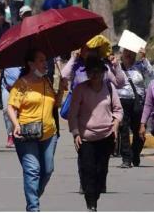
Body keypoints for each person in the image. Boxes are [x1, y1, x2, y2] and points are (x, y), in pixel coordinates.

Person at [61, 35, 126, 194]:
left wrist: (116, 66)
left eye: (93, 50)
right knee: (84, 155)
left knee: (102, 158)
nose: (89, 53)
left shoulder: (104, 69)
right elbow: (63, 76)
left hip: (102, 117)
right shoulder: (77, 67)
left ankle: (100, 180)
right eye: (87, 49)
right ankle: (85, 182)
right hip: (81, 119)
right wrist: (73, 58)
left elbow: (120, 82)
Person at [7, 50, 64, 211]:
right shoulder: (22, 84)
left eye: (45, 60)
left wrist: (61, 89)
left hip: (48, 133)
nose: (45, 63)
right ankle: (33, 208)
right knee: (33, 170)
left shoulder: (46, 81)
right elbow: (11, 107)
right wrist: (16, 124)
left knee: (47, 169)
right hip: (26, 134)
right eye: (41, 60)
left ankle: (33, 196)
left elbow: (56, 104)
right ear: (31, 64)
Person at [68, 57, 123, 211]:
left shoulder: (109, 88)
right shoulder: (80, 89)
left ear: (104, 72)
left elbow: (118, 110)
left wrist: (115, 124)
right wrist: (75, 133)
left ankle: (94, 195)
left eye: (98, 71)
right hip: (86, 137)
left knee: (101, 171)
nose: (95, 74)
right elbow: (73, 115)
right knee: (88, 170)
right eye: (91, 71)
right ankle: (91, 202)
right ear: (87, 73)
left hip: (106, 136)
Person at [117, 48, 153, 168]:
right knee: (124, 130)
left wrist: (144, 59)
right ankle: (126, 158)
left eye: (131, 52)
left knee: (140, 131)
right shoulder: (117, 66)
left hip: (138, 102)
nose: (128, 54)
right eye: (126, 52)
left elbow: (151, 74)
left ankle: (135, 153)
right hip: (122, 101)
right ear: (122, 53)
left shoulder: (140, 66)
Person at [0, 66, 21, 147]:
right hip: (7, 87)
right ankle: (10, 135)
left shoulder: (24, 55)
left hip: (21, 88)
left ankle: (17, 133)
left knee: (18, 113)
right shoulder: (6, 56)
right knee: (6, 111)